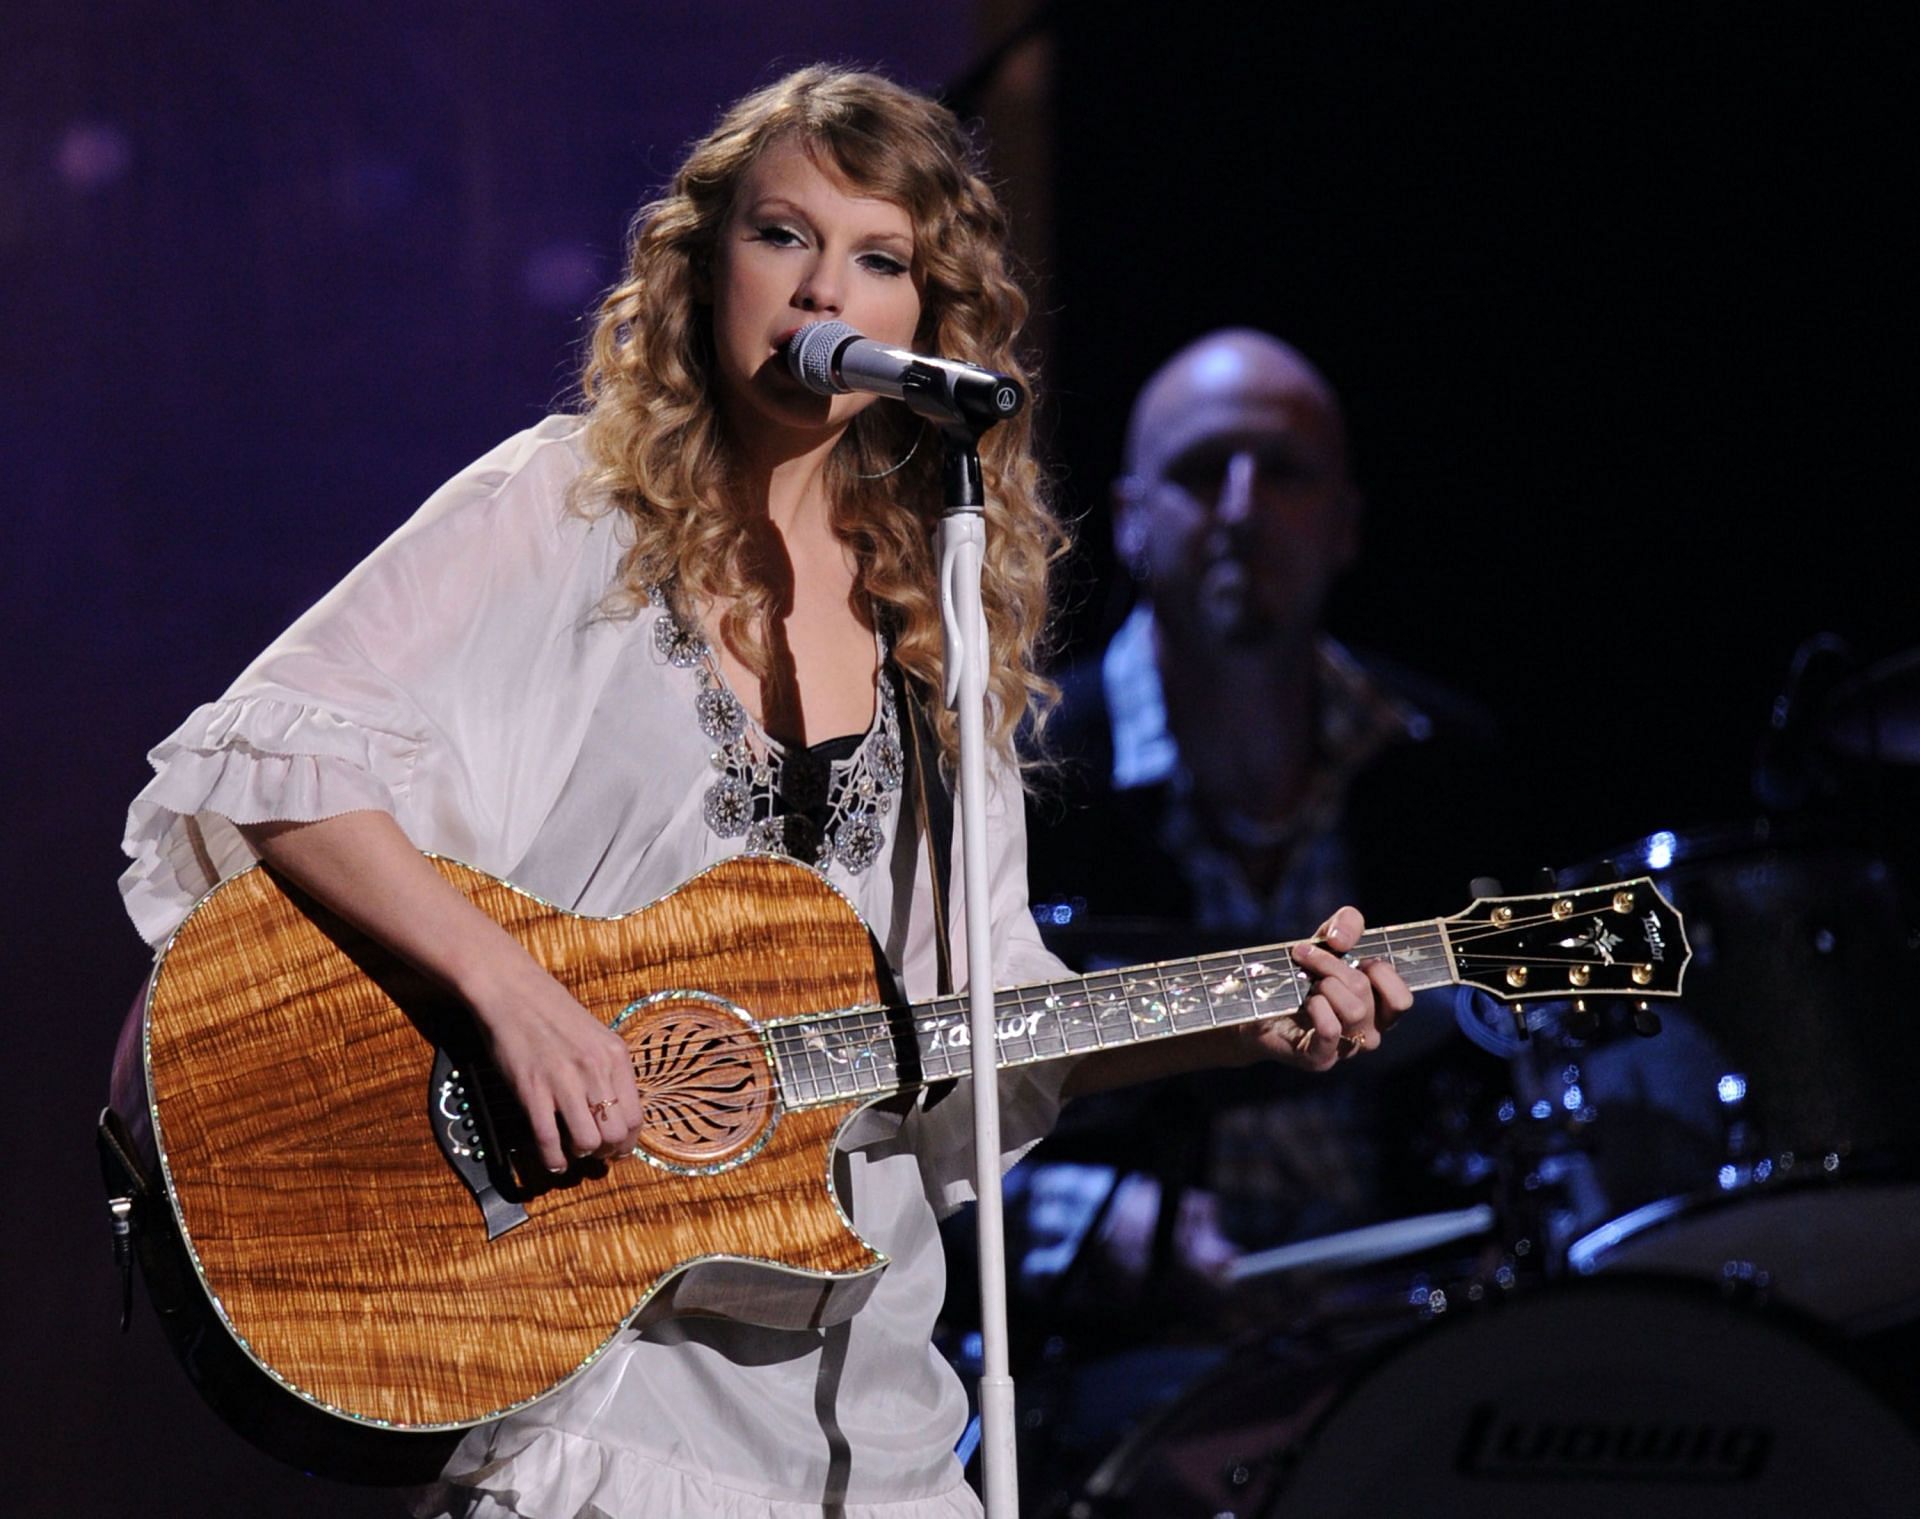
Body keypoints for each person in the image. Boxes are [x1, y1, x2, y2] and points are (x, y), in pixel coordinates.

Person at [118, 72, 1410, 1519]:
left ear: (929, 321)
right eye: (782, 236)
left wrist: (1246, 1018)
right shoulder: (565, 509)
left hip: (868, 1427)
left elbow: (977, 1011)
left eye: (879, 258)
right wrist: (518, 998)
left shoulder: (940, 619)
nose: (822, 290)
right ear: (704, 264)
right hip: (592, 1393)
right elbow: (278, 756)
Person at [1013, 329, 1520, 1309]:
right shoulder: (1022, 767)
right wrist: (1073, 1210)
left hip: (1401, 1327)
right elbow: (913, 1103)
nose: (1242, 511)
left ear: (1344, 522)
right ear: (1128, 520)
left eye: (1284, 472)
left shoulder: (1442, 764)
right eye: (1203, 473)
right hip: (1118, 1355)